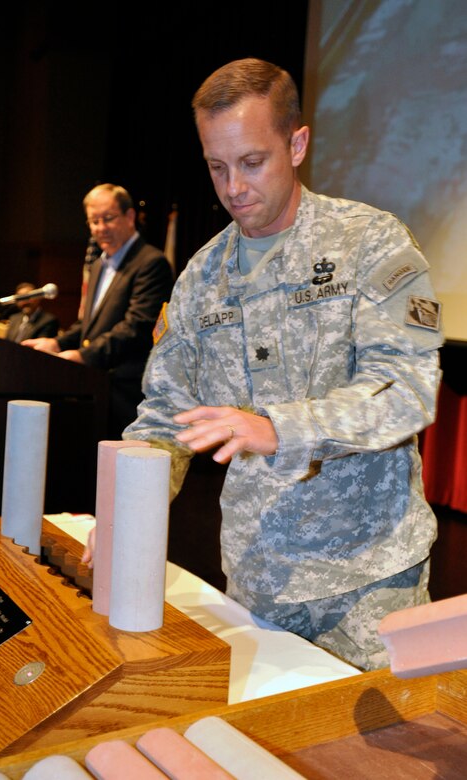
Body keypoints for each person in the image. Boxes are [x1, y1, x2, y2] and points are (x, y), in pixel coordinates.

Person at [84, 59, 444, 671]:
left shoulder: (371, 243)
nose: (233, 188)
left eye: (252, 163)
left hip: (366, 579)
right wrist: (123, 508)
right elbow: (165, 414)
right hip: (258, 577)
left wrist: (281, 428)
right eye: (217, 167)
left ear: (296, 143)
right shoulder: (202, 275)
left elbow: (407, 389)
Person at [22, 183, 174, 438]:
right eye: (94, 221)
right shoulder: (98, 266)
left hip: (125, 397)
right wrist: (56, 344)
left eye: (108, 219)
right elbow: (89, 325)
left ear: (129, 217)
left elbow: (137, 326)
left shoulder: (151, 263)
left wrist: (84, 356)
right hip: (94, 392)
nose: (100, 228)